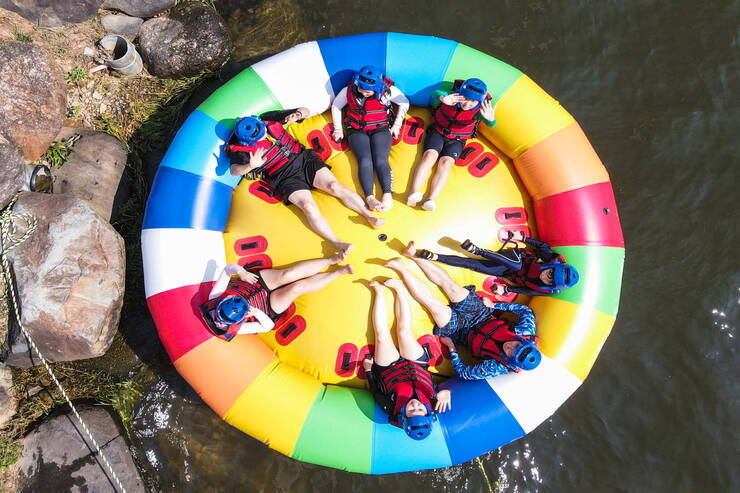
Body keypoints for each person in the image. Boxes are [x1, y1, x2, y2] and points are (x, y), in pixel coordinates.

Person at [227, 110, 385, 255]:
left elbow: (305, 110)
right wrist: (250, 166)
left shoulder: (268, 119)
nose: (264, 136)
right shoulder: (242, 151)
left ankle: (369, 216)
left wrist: (297, 114)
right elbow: (234, 171)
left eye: (262, 131)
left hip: (304, 159)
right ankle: (338, 243)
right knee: (308, 207)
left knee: (334, 186)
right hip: (283, 176)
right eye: (259, 137)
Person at [383, 241, 541, 380]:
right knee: (453, 289)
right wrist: (495, 305)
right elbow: (525, 311)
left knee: (436, 308)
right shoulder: (525, 332)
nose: (511, 347)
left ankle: (402, 270)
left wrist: (452, 349)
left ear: (511, 360)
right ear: (524, 343)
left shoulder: (497, 367)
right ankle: (414, 256)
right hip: (482, 314)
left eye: (513, 353)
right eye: (518, 346)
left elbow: (464, 373)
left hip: (461, 332)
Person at [364, 278, 451, 440]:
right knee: (403, 331)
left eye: (411, 411)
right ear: (427, 412)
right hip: (416, 363)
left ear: (404, 415)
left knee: (382, 336)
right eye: (420, 410)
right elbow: (444, 391)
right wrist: (446, 392)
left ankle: (379, 292)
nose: (415, 406)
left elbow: (375, 390)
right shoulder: (436, 405)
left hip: (389, 368)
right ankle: (400, 291)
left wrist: (369, 369)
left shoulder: (390, 409)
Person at [200, 252, 352, 340]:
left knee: (288, 275)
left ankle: (333, 259)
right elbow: (268, 326)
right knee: (296, 288)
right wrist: (256, 312)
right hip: (265, 307)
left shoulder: (214, 297)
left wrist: (242, 273)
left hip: (253, 283)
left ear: (223, 301)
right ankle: (338, 272)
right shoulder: (235, 328)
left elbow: (228, 269)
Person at [407, 78, 497, 211]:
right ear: (460, 94)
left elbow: (491, 123)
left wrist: (491, 120)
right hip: (438, 132)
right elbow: (436, 93)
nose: (468, 103)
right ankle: (414, 193)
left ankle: (431, 199)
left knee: (446, 163)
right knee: (429, 156)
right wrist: (442, 98)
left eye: (473, 101)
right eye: (465, 98)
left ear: (479, 101)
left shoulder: (480, 109)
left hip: (457, 139)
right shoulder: (451, 96)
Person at [330, 66, 409, 212]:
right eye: (361, 89)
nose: (363, 93)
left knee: (380, 159)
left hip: (380, 128)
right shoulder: (349, 90)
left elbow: (404, 102)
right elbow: (336, 106)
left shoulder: (387, 91)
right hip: (356, 129)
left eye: (368, 91)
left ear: (377, 88)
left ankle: (387, 194)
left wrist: (397, 125)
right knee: (365, 160)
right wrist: (338, 129)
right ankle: (370, 198)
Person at [414, 231, 579, 296]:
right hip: (516, 257)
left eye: (550, 280)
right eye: (550, 273)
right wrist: (523, 238)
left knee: (473, 265)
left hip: (507, 272)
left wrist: (506, 289)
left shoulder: (546, 290)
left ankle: (435, 257)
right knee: (516, 265)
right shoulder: (552, 259)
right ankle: (478, 250)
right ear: (552, 267)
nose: (546, 276)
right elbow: (543, 246)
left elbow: (525, 290)